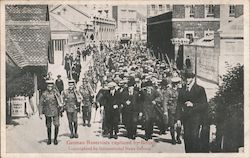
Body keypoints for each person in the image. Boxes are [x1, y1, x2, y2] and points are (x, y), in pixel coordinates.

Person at [176, 71, 208, 153]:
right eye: (186, 78)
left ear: (193, 78)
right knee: (186, 138)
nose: (187, 80)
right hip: (186, 119)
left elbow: (204, 105)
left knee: (194, 138)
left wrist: (193, 104)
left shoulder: (200, 89)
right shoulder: (182, 90)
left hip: (196, 119)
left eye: (189, 78)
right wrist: (178, 119)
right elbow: (178, 105)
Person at [38, 80, 63, 145]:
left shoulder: (56, 93)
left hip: (55, 111)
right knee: (48, 126)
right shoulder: (44, 94)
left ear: (53, 86)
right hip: (47, 111)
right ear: (47, 86)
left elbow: (60, 101)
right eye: (48, 86)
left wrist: (61, 109)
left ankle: (55, 139)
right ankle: (49, 139)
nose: (50, 87)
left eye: (51, 86)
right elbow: (40, 104)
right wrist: (40, 113)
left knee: (57, 125)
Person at [167, 77, 182, 145]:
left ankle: (178, 137)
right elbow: (165, 100)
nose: (177, 85)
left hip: (180, 110)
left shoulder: (181, 91)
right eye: (176, 84)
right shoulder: (169, 90)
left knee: (179, 125)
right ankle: (173, 139)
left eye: (178, 83)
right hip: (172, 110)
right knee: (172, 125)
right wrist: (165, 110)